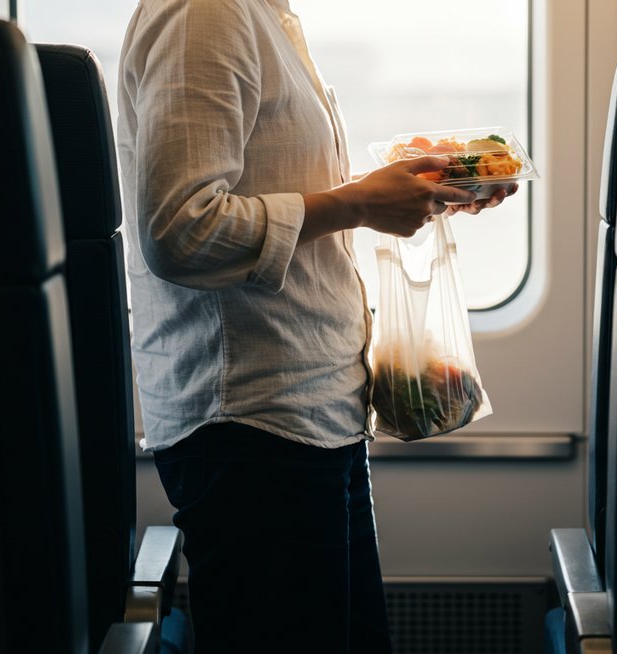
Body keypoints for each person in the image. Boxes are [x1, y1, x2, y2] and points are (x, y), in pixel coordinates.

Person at [116, 1, 516, 651]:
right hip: (251, 419)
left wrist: (416, 189)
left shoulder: (263, 12)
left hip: (310, 410)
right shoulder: (204, 13)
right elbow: (181, 230)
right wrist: (358, 202)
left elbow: (278, 187)